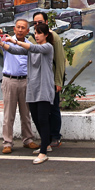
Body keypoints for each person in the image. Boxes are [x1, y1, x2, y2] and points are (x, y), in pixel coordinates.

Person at [0, 22, 55, 164]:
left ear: (46, 35)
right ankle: (45, 144)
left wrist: (15, 41)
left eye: (39, 33)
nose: (37, 35)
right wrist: (4, 44)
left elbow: (31, 47)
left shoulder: (47, 47)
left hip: (44, 89)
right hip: (32, 89)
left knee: (42, 119)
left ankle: (43, 152)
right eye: (35, 33)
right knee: (34, 117)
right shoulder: (30, 48)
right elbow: (16, 51)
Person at [0, 19, 38, 154]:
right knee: (9, 114)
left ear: (27, 31)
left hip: (25, 81)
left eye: (23, 28)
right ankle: (7, 142)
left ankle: (28, 139)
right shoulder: (6, 40)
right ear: (14, 29)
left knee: (26, 113)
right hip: (10, 80)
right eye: (18, 27)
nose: (20, 30)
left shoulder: (29, 45)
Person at [32, 11, 66, 148]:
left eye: (40, 22)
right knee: (42, 111)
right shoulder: (33, 38)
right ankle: (46, 138)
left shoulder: (54, 37)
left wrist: (58, 81)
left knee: (54, 108)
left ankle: (55, 136)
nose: (37, 25)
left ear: (46, 22)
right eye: (35, 23)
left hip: (51, 80)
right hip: (38, 81)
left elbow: (60, 60)